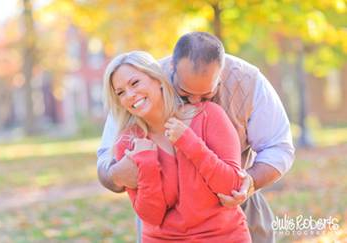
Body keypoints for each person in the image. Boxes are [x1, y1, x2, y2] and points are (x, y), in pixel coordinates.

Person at [97, 32, 294, 242]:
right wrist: (118, 173)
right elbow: (107, 162)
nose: (194, 100)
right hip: (163, 232)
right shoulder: (142, 83)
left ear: (221, 74)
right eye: (184, 91)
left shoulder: (245, 82)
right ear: (169, 70)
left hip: (231, 208)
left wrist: (250, 182)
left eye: (205, 93)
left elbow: (279, 147)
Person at [103, 50, 250, 241]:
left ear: (157, 79)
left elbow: (230, 186)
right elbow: (151, 216)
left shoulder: (209, 116)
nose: (130, 95)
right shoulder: (128, 143)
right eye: (121, 92)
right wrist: (146, 163)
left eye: (135, 83)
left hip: (223, 235)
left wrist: (189, 142)